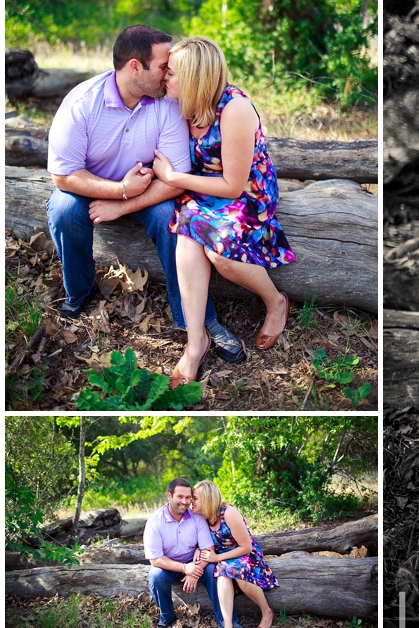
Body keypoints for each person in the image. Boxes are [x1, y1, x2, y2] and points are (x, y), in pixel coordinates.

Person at [46, 24, 246, 364]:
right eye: (163, 67)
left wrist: (125, 203)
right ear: (135, 67)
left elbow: (176, 180)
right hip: (92, 187)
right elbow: (64, 176)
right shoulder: (82, 104)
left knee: (172, 218)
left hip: (148, 189)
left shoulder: (166, 103)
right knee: (64, 211)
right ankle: (79, 292)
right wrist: (119, 190)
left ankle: (198, 320)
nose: (169, 75)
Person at [151, 36, 295, 387]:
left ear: (194, 76)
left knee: (223, 257)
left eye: (171, 72)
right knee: (187, 237)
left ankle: (275, 301)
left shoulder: (235, 109)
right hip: (202, 190)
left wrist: (173, 177)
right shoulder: (180, 104)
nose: (164, 78)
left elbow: (233, 185)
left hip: (245, 192)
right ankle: (195, 341)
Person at [142, 478, 252, 628]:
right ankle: (167, 617)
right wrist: (185, 569)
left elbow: (209, 549)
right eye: (180, 497)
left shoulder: (196, 516)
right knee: (155, 575)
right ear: (169, 496)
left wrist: (194, 571)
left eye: (188, 497)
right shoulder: (155, 521)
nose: (185, 502)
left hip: (197, 563)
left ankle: (227, 622)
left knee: (214, 570)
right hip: (169, 566)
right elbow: (156, 560)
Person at [191, 480, 279, 628]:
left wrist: (217, 558)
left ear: (207, 499)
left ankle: (266, 611)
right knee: (223, 575)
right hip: (226, 560)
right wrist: (198, 548)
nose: (191, 501)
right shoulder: (200, 517)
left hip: (244, 554)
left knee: (239, 576)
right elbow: (201, 540)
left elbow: (246, 547)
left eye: (195, 498)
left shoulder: (228, 513)